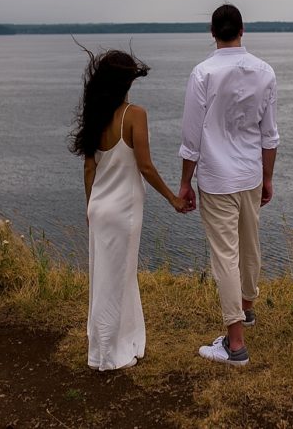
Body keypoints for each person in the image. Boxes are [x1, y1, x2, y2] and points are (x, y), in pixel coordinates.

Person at [70, 48, 186, 371]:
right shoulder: (135, 114)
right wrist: (173, 198)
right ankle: (110, 355)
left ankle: (117, 344)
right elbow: (145, 167)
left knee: (104, 279)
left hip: (99, 209)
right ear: (125, 82)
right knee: (119, 279)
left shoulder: (95, 116)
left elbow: (89, 170)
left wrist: (89, 205)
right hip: (124, 212)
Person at [179, 4, 279, 366]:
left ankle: (235, 345)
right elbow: (270, 136)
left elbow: (191, 137)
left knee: (226, 256)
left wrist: (184, 183)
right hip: (250, 173)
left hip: (217, 179)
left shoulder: (203, 73)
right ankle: (247, 309)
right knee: (250, 245)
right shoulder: (265, 72)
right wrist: (267, 177)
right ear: (243, 29)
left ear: (212, 31)